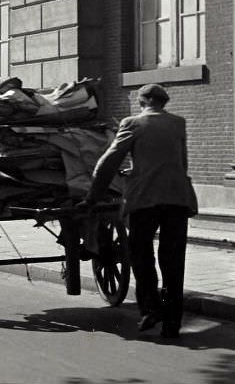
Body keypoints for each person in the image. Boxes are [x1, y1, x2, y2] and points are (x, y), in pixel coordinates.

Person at [82, 83, 197, 340]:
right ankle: (172, 323)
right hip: (178, 198)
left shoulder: (133, 123)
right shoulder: (178, 123)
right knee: (173, 260)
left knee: (140, 254)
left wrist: (92, 197)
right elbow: (182, 162)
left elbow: (109, 161)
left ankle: (151, 307)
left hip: (146, 199)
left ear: (142, 102)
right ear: (163, 102)